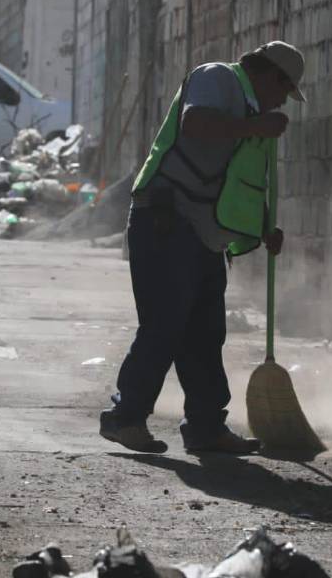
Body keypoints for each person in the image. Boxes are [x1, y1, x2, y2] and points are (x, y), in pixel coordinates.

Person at [99, 41, 306, 454]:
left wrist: (264, 228)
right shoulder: (218, 77)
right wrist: (254, 128)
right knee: (164, 326)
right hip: (165, 220)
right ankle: (125, 419)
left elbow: (236, 182)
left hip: (203, 233)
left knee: (205, 334)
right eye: (285, 90)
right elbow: (195, 123)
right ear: (271, 76)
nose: (283, 100)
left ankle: (206, 428)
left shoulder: (252, 112)